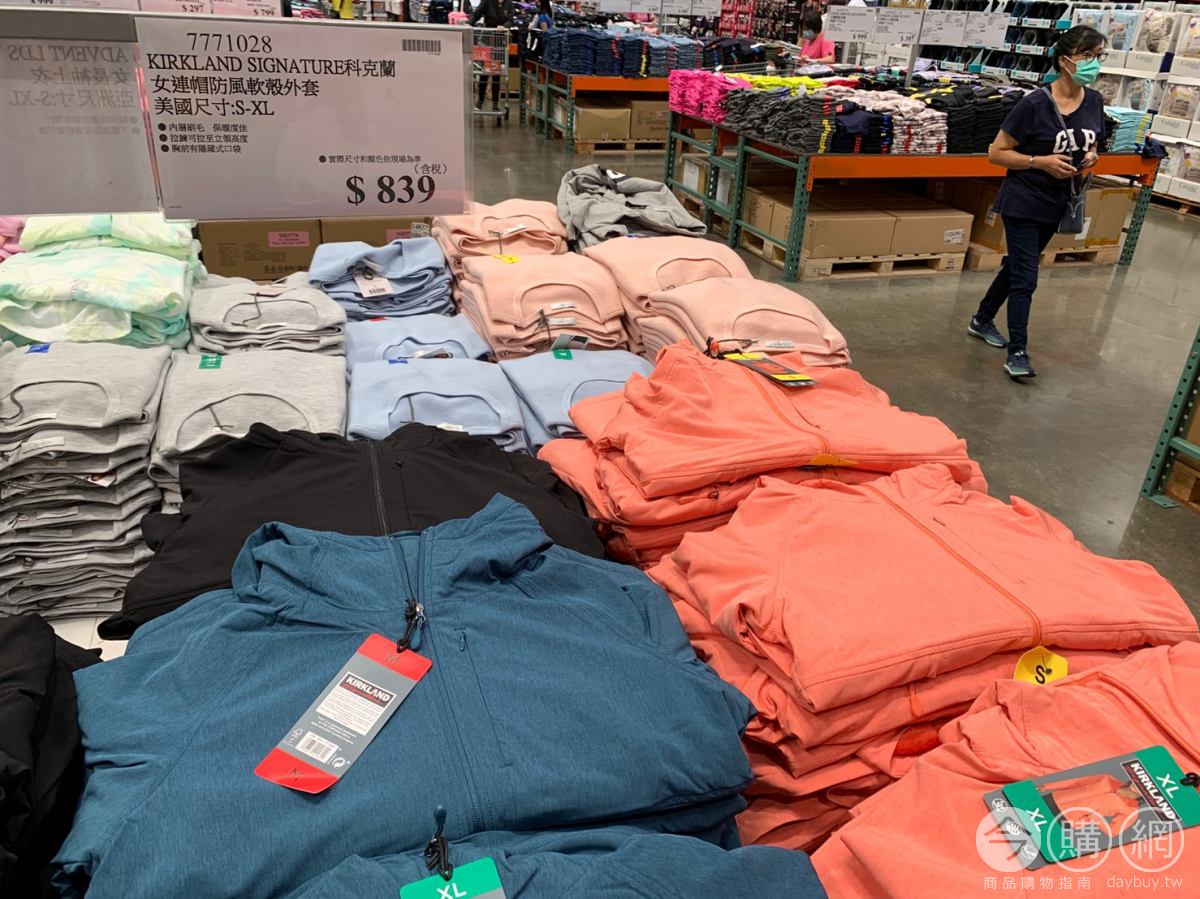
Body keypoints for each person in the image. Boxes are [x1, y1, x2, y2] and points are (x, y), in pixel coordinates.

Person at [969, 25, 1106, 379]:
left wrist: (1091, 156)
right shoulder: (1033, 104)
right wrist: (1039, 161)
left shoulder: (1094, 101)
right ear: (1063, 61)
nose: (1094, 63)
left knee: (1017, 267)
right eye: (1086, 56)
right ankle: (1017, 352)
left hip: (1060, 203)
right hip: (1024, 201)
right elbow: (997, 153)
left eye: (1098, 56)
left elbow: (1092, 142)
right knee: (1026, 279)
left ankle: (981, 319)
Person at [470, 0, 513, 111]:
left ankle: (495, 104)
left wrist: (504, 26)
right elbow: (476, 14)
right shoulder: (487, 1)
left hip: (499, 42)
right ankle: (480, 101)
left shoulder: (509, 3)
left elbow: (510, 20)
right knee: (484, 72)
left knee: (496, 73)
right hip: (487, 41)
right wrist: (468, 24)